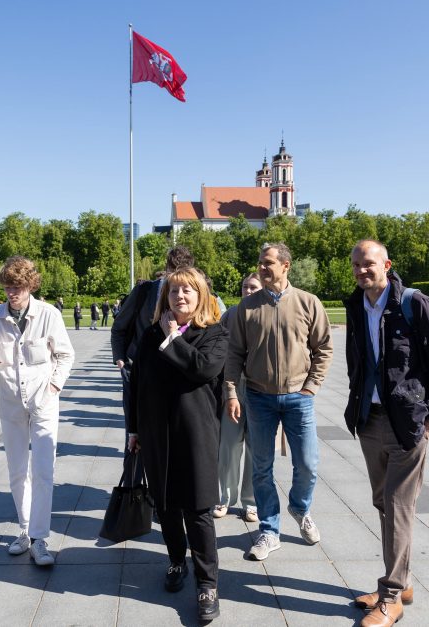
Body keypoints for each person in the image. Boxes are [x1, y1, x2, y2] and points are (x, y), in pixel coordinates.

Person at [344, 240, 429, 627]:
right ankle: (402, 580)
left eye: (370, 263)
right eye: (357, 264)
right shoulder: (356, 305)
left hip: (407, 421)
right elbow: (356, 362)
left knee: (396, 506)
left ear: (387, 264)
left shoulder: (414, 303)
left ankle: (391, 596)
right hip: (369, 420)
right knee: (383, 502)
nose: (363, 270)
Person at [127, 267, 227, 621]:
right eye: (173, 292)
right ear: (164, 298)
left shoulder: (213, 333)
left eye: (187, 291)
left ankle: (207, 583)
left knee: (198, 510)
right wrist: (134, 429)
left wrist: (174, 338)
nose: (180, 297)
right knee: (166, 506)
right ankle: (175, 562)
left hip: (195, 433)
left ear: (201, 295)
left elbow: (201, 369)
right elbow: (135, 384)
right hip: (156, 433)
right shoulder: (152, 333)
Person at [224, 242, 333, 561]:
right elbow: (234, 355)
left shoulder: (308, 303)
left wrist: (311, 386)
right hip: (258, 397)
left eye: (268, 263)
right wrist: (231, 391)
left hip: (299, 397)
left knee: (309, 464)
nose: (261, 267)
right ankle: (269, 530)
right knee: (261, 467)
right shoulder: (246, 308)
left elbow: (324, 348)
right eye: (259, 262)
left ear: (286, 266)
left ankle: (300, 508)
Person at [0, 256, 75, 567]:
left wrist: (54, 388)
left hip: (43, 401)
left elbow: (65, 355)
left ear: (30, 285)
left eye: (17, 287)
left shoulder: (49, 314)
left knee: (44, 469)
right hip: (10, 401)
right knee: (17, 470)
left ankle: (40, 537)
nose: (11, 293)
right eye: (7, 287)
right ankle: (24, 530)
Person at [112, 246, 195, 432]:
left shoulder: (196, 297)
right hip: (138, 371)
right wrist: (120, 359)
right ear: (167, 268)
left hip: (176, 372)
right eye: (173, 271)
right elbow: (119, 327)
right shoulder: (144, 291)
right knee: (135, 433)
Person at [214, 273, 262, 523]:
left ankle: (250, 502)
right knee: (229, 446)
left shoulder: (268, 311)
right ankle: (225, 497)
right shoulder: (230, 314)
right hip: (233, 387)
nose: (249, 291)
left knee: (256, 449)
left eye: (254, 287)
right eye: (245, 286)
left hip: (259, 389)